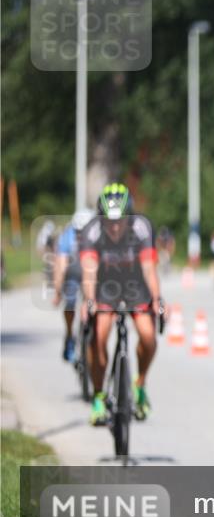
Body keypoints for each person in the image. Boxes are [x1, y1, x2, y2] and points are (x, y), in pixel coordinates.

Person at [80, 183, 164, 426]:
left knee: (148, 336)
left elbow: (149, 268)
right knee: (99, 337)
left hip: (135, 284)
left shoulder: (141, 227)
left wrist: (157, 299)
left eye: (120, 221)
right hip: (105, 285)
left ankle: (139, 384)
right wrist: (89, 301)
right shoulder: (91, 230)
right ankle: (98, 396)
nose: (115, 226)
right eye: (110, 221)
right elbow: (89, 272)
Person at [51, 209, 95, 361]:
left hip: (92, 272)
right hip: (74, 272)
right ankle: (70, 335)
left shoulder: (98, 236)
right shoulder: (67, 237)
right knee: (70, 302)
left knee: (95, 305)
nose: (80, 235)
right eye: (78, 232)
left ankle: (93, 336)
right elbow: (60, 266)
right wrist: (57, 292)